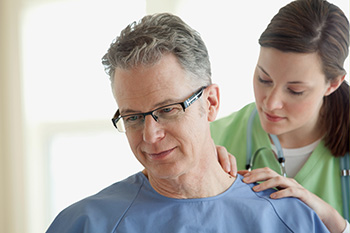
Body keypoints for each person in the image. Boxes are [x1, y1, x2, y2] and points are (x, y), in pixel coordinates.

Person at [46, 13, 329, 233]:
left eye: (168, 109)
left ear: (211, 103)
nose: (150, 135)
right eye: (132, 117)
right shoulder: (86, 224)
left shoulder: (290, 219)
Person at [210, 0, 349, 232]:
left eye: (295, 91)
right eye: (264, 79)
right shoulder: (214, 139)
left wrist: (330, 219)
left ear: (332, 84)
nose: (271, 103)